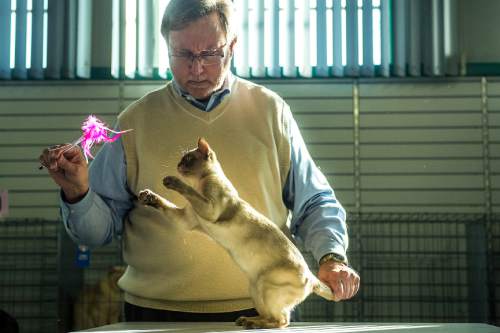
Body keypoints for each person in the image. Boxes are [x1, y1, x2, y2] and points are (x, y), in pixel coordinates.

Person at [40, 0, 360, 323]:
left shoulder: (271, 113)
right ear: (166, 46)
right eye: (184, 55)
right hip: (153, 316)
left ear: (232, 45)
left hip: (261, 312)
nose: (196, 68)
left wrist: (331, 256)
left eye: (209, 53)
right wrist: (78, 194)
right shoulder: (134, 122)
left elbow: (315, 201)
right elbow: (95, 233)